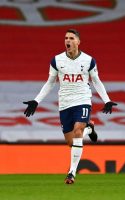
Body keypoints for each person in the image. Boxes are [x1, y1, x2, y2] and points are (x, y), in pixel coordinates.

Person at [23, 29, 117, 185]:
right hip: (65, 103)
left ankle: (72, 172)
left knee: (78, 129)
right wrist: (36, 101)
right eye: (66, 38)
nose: (68, 40)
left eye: (71, 38)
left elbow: (96, 81)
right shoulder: (57, 60)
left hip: (83, 99)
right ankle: (90, 128)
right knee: (70, 142)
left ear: (78, 42)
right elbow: (50, 82)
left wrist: (106, 100)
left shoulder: (88, 60)